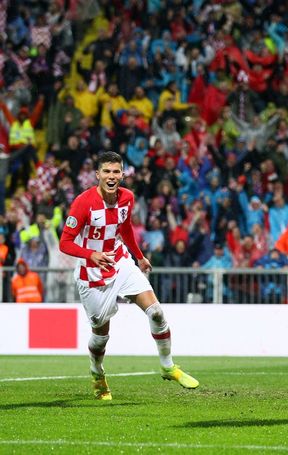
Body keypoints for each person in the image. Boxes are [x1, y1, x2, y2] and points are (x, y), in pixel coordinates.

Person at [59, 151, 198, 400]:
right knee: (100, 336)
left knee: (156, 312)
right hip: (92, 274)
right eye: (107, 172)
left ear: (122, 174)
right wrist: (91, 254)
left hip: (120, 261)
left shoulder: (127, 198)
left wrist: (139, 256)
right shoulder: (83, 202)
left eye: (116, 172)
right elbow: (65, 243)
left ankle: (168, 366)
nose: (112, 176)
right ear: (98, 175)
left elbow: (125, 229)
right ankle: (97, 372)